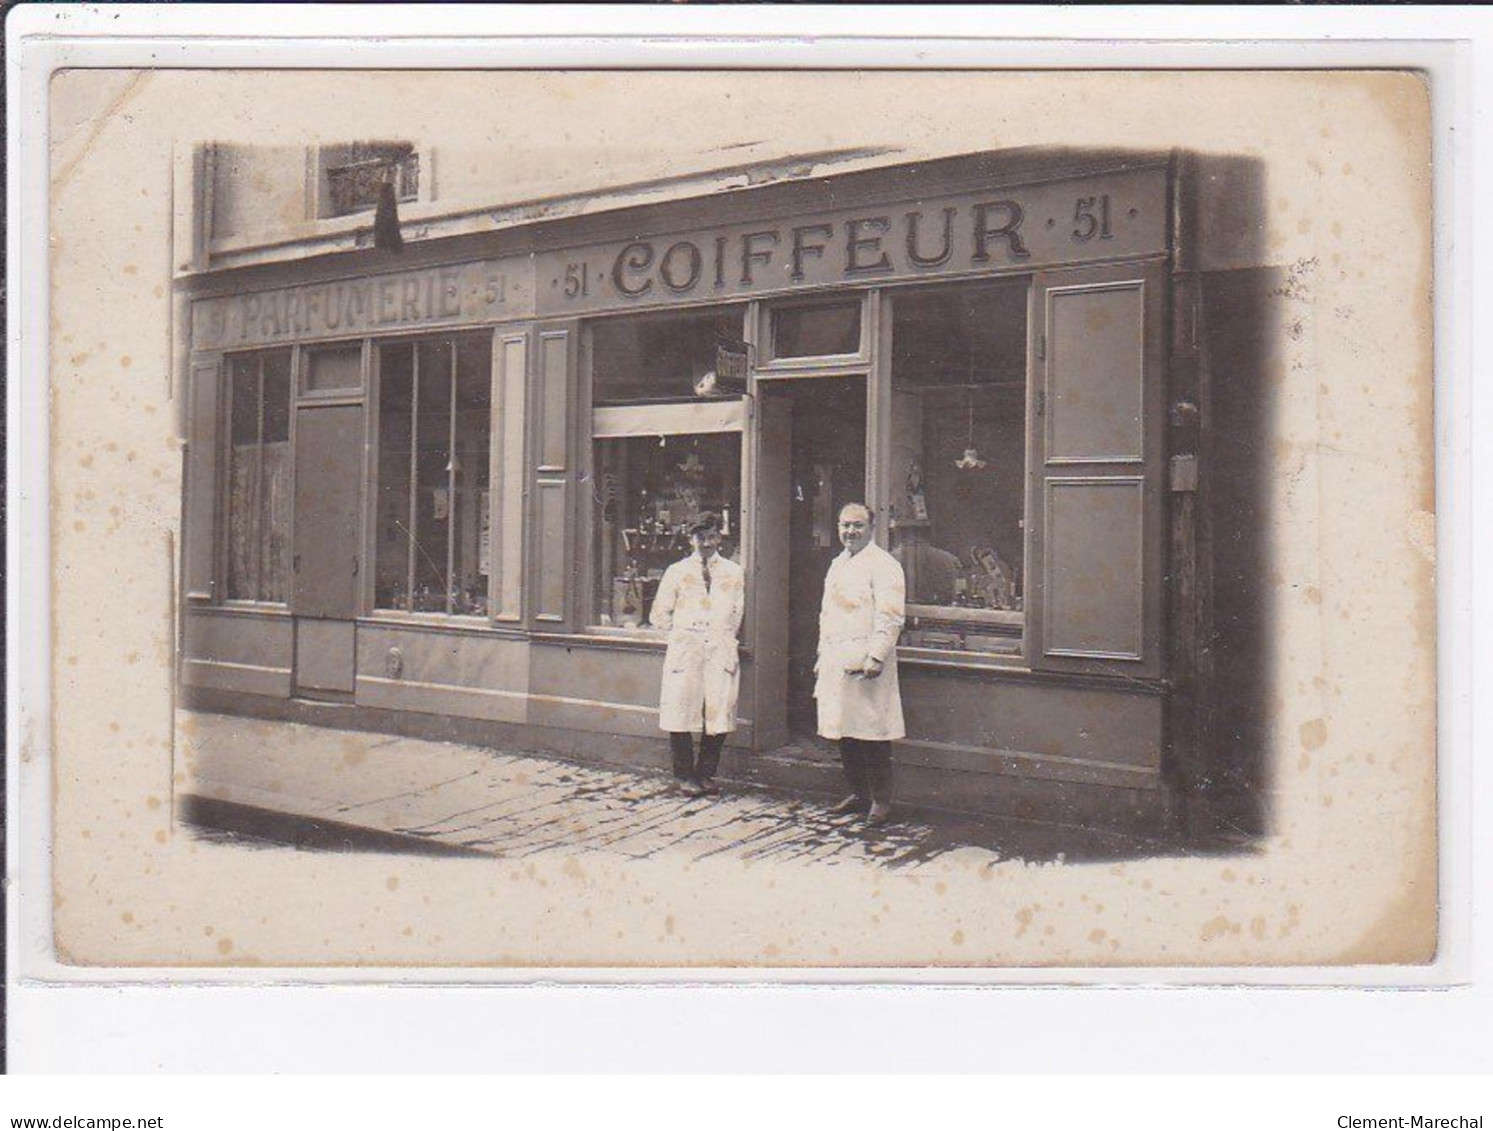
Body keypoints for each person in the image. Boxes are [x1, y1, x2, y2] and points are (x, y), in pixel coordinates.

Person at [815, 503, 907, 826]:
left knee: (873, 733)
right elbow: (827, 615)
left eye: (857, 526)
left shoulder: (884, 565)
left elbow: (891, 615)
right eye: (844, 526)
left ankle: (881, 801)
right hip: (837, 661)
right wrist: (821, 656)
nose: (849, 532)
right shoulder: (838, 563)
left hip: (867, 663)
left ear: (871, 528)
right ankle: (859, 794)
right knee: (844, 731)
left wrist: (877, 655)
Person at [650, 512, 745, 798]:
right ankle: (684, 775)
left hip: (719, 647)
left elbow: (737, 612)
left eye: (712, 536)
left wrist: (722, 635)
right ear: (691, 539)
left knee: (717, 712)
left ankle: (706, 774)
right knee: (681, 711)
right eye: (701, 537)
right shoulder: (676, 571)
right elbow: (659, 614)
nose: (707, 543)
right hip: (686, 649)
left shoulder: (733, 571)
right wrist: (682, 635)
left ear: (720, 537)